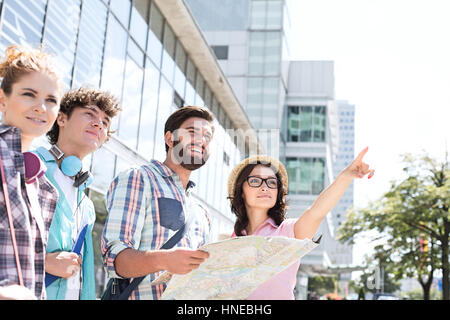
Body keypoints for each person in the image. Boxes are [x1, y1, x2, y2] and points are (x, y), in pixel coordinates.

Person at [227, 149, 374, 299]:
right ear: (241, 190)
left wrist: (345, 176)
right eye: (255, 181)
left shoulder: (287, 233)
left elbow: (317, 212)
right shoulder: (231, 241)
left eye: (272, 182)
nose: (265, 187)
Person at [101, 106, 214, 300]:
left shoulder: (201, 211)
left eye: (207, 136)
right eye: (192, 132)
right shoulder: (138, 178)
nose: (201, 140)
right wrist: (165, 260)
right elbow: (115, 260)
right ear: (170, 139)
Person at [33, 87, 121, 300]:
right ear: (61, 119)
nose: (99, 123)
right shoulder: (30, 167)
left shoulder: (87, 203)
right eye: (90, 114)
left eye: (105, 122)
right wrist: (43, 262)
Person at [0, 44, 62, 300]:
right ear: (3, 99)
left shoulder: (43, 183)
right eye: (29, 94)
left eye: (51, 100)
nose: (41, 107)